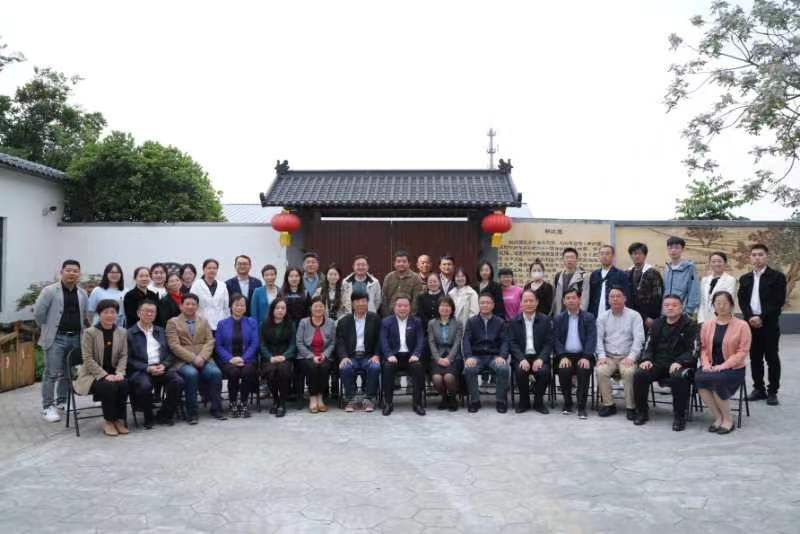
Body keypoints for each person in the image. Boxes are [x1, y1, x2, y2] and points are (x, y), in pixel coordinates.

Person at [632, 294, 699, 431]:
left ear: (681, 308)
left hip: (680, 364)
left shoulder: (690, 325)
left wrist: (681, 362)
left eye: (674, 305)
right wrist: (647, 359)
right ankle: (642, 412)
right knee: (640, 374)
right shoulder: (657, 324)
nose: (670, 308)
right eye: (667, 305)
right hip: (658, 363)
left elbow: (693, 349)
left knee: (678, 376)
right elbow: (648, 345)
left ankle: (679, 416)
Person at [34, 259, 89, 423]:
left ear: (79, 274)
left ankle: (62, 401)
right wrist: (48, 329)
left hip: (75, 338)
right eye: (68, 270)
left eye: (75, 271)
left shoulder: (82, 293)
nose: (72, 273)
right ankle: (47, 406)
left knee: (67, 372)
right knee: (51, 373)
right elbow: (39, 314)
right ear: (61, 272)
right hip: (56, 338)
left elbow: (85, 315)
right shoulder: (50, 291)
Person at [737, 243, 787, 405]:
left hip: (769, 324)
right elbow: (743, 301)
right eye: (754, 255)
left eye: (760, 254)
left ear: (767, 256)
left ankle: (772, 392)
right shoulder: (745, 278)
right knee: (755, 358)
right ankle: (759, 389)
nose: (757, 258)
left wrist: (761, 317)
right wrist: (750, 317)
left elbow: (778, 302)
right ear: (750, 258)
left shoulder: (777, 277)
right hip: (750, 324)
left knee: (772, 358)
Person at [696, 291, 752, 434]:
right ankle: (718, 417)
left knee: (717, 380)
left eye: (725, 303)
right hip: (711, 366)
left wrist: (723, 366)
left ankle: (728, 419)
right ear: (713, 306)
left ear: (732, 305)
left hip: (733, 368)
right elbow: (703, 348)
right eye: (718, 303)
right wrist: (706, 364)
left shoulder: (742, 325)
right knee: (699, 378)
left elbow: (742, 352)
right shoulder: (707, 325)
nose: (721, 306)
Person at [166, 293, 225, 424]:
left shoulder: (203, 320)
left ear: (197, 306)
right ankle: (192, 413)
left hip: (204, 359)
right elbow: (174, 345)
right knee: (191, 374)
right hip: (182, 361)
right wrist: (193, 358)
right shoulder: (172, 322)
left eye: (193, 304)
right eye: (187, 304)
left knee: (215, 373)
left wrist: (202, 357)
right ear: (181, 306)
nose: (190, 306)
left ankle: (216, 409)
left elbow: (210, 341)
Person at [73, 299, 129, 437]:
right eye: (106, 312)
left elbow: (124, 355)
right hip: (92, 375)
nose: (110, 315)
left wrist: (120, 373)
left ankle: (118, 420)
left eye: (113, 312)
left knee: (123, 383)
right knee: (108, 386)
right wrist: (104, 375)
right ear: (99, 314)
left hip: (114, 373)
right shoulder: (90, 333)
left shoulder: (122, 332)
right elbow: (87, 358)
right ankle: (109, 421)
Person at [126, 299, 183, 428]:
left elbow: (171, 353)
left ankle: (164, 414)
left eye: (152, 312)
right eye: (146, 311)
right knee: (144, 385)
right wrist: (147, 368)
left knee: (178, 381)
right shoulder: (129, 333)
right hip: (141, 370)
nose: (149, 314)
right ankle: (148, 416)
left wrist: (164, 365)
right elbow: (128, 359)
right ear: (138, 313)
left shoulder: (161, 331)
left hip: (161, 366)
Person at [595, 286, 645, 420]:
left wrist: (632, 357)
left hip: (627, 356)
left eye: (618, 296)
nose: (615, 299)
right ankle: (609, 404)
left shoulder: (634, 316)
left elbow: (639, 339)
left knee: (629, 372)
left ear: (625, 299)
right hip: (609, 356)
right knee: (600, 370)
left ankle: (631, 407)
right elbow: (598, 339)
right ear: (608, 300)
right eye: (612, 296)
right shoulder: (603, 317)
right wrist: (601, 356)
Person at [462, 292, 511, 413]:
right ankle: (475, 401)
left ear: (493, 305)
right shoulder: (471, 321)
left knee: (503, 368)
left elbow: (505, 341)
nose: (485, 305)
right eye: (482, 303)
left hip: (494, 356)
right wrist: (468, 357)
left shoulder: (500, 322)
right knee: (469, 369)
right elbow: (466, 340)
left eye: (488, 303)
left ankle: (501, 401)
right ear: (479, 304)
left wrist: (502, 356)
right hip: (476, 356)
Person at [552, 288, 596, 419]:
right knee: (564, 369)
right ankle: (568, 403)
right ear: (564, 301)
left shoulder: (588, 317)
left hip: (583, 355)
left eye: (573, 298)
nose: (571, 300)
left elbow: (591, 338)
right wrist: (562, 356)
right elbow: (556, 339)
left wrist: (586, 356)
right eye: (568, 298)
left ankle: (581, 406)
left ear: (579, 300)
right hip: (565, 355)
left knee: (583, 369)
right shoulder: (559, 318)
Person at [380, 295, 426, 416]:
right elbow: (383, 341)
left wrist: (416, 354)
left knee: (418, 367)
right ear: (394, 307)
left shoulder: (416, 321)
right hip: (394, 356)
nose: (402, 308)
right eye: (399, 306)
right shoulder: (386, 322)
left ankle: (417, 403)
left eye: (405, 306)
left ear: (409, 307)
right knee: (387, 367)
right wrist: (389, 355)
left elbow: (420, 340)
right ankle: (388, 403)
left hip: (410, 356)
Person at [215, 294, 259, 418]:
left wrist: (243, 358)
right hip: (228, 360)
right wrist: (231, 359)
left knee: (247, 372)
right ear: (231, 306)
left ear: (245, 307)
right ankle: (233, 402)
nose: (239, 308)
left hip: (248, 359)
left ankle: (244, 403)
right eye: (236, 305)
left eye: (242, 305)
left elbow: (254, 343)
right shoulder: (222, 324)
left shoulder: (252, 322)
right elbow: (219, 346)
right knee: (233, 372)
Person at [337, 292, 382, 412]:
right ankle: (351, 398)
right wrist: (344, 356)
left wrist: (376, 355)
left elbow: (380, 339)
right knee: (345, 367)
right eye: (357, 301)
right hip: (351, 356)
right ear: (352, 304)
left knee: (375, 367)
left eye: (363, 301)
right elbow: (340, 342)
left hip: (369, 356)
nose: (361, 304)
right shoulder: (344, 321)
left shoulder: (375, 319)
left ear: (367, 303)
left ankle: (369, 399)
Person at [508, 289, 552, 414]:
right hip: (522, 356)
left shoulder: (545, 320)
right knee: (520, 370)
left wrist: (541, 359)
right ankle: (524, 401)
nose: (528, 303)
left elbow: (548, 343)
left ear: (537, 302)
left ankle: (538, 402)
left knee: (544, 371)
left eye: (531, 301)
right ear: (521, 303)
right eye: (525, 301)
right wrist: (521, 359)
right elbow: (512, 343)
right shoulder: (514, 321)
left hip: (539, 356)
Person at [296, 297, 335, 413]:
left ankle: (320, 397)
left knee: (324, 367)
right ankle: (313, 397)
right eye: (316, 306)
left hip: (324, 355)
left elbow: (333, 342)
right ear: (311, 308)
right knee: (312, 366)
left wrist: (324, 354)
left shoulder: (330, 323)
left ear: (324, 308)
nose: (318, 309)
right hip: (306, 355)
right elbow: (299, 342)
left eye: (321, 306)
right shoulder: (304, 322)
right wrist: (311, 356)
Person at [259, 298, 296, 418]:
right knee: (271, 371)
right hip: (269, 358)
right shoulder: (264, 324)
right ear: (272, 309)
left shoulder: (290, 324)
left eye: (283, 308)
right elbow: (262, 344)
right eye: (277, 308)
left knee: (283, 371)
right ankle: (275, 399)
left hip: (285, 357)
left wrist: (285, 356)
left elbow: (293, 344)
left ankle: (282, 403)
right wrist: (270, 357)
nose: (280, 310)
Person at [428, 296, 463, 411]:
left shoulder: (458, 323)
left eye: (447, 306)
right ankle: (444, 398)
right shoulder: (432, 323)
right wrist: (438, 358)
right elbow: (431, 342)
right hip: (437, 356)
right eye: (442, 305)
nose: (445, 308)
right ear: (438, 308)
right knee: (437, 378)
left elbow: (457, 342)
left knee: (448, 377)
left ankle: (453, 398)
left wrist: (449, 358)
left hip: (454, 356)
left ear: (452, 308)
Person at [626, 242, 663, 329]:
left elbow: (657, 297)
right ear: (631, 256)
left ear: (645, 255)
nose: (637, 256)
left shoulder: (653, 273)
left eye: (640, 253)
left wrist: (651, 316)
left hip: (648, 317)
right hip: (631, 315)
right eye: (634, 254)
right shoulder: (627, 273)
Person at [588, 245, 631, 318]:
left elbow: (627, 297)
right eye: (602, 254)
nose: (604, 256)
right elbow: (591, 296)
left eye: (607, 254)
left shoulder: (621, 274)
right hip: (595, 314)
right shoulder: (594, 274)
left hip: (614, 314)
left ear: (613, 256)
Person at [663, 236, 700, 315]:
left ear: (682, 249)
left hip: (682, 312)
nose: (673, 250)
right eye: (670, 248)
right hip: (666, 312)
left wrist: (688, 311)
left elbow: (694, 290)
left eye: (676, 247)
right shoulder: (666, 268)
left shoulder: (689, 268)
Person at [190, 259, 230, 332]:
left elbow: (226, 307)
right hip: (201, 324)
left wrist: (227, 323)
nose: (212, 270)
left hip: (220, 324)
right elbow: (192, 305)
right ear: (204, 270)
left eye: (214, 268)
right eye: (209, 268)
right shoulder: (197, 285)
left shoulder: (222, 285)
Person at [698, 251, 737, 324]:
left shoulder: (730, 280)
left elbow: (728, 301)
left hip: (722, 319)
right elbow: (702, 302)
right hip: (705, 320)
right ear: (710, 263)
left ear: (725, 263)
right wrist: (701, 320)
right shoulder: (704, 280)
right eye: (713, 261)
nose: (716, 264)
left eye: (719, 261)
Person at [382, 250, 424, 316]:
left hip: (409, 315)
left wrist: (410, 316)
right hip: (390, 315)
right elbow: (384, 298)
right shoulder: (389, 277)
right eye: (398, 261)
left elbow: (416, 301)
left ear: (409, 263)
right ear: (394, 263)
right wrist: (386, 315)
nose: (401, 264)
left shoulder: (415, 278)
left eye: (404, 261)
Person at [552, 247, 590, 315]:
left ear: (576, 259)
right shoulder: (558, 276)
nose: (569, 260)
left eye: (572, 257)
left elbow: (585, 298)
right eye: (567, 257)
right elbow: (554, 298)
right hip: (560, 314)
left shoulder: (583, 276)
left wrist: (581, 315)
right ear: (563, 260)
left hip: (576, 314)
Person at [87, 262, 126, 327]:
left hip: (118, 328)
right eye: (112, 272)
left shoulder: (125, 291)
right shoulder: (97, 290)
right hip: (99, 328)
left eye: (117, 272)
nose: (114, 275)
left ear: (121, 274)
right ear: (106, 274)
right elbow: (90, 311)